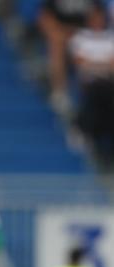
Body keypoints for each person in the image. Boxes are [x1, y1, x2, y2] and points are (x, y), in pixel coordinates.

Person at [38, 0, 102, 113]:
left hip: (85, 36)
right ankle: (60, 92)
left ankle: (93, 95)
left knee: (91, 49)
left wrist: (84, 34)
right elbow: (44, 18)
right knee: (56, 45)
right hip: (60, 34)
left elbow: (97, 17)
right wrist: (57, 33)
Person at [70, 7, 114, 162]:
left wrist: (92, 64)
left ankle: (85, 129)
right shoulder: (80, 37)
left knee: (105, 92)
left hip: (109, 83)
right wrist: (103, 65)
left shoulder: (111, 38)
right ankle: (85, 131)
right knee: (97, 91)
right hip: (89, 83)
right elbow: (79, 63)